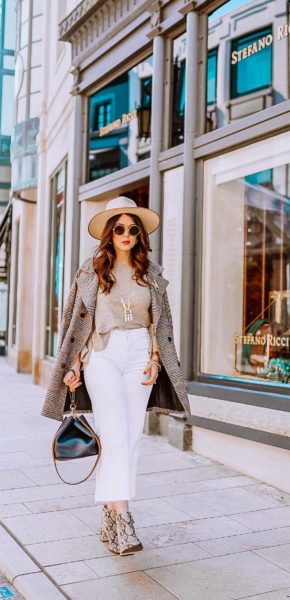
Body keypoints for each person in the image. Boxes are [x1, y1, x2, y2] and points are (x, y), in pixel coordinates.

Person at [41, 196, 190, 556]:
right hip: (103, 355)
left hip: (139, 352)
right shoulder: (91, 270)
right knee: (114, 433)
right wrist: (73, 364)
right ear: (109, 233)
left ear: (140, 234)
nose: (127, 234)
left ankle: (109, 512)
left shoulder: (150, 272)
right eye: (119, 228)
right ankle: (123, 518)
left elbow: (161, 321)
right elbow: (75, 323)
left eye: (133, 228)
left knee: (130, 436)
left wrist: (156, 359)